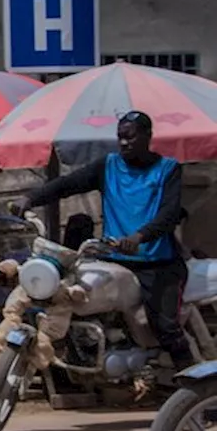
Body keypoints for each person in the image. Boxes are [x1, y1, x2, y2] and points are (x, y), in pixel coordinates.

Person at [18, 111, 194, 371]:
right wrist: (31, 199)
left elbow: (169, 215)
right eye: (120, 137)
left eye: (130, 137)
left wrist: (139, 237)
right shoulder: (108, 166)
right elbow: (68, 184)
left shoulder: (167, 169)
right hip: (113, 259)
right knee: (70, 298)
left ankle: (195, 389)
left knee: (166, 327)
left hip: (156, 262)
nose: (124, 143)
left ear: (148, 136)